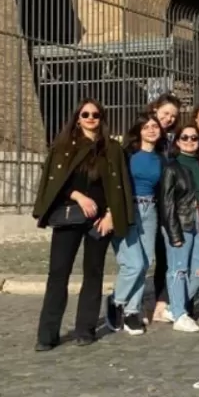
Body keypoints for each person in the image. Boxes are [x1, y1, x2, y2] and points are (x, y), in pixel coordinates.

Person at [32, 99, 134, 350]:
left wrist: (111, 215)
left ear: (102, 118)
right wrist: (79, 196)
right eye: (85, 114)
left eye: (95, 114)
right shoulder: (63, 147)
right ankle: (47, 335)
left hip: (99, 221)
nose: (90, 118)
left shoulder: (112, 149)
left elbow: (119, 185)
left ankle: (85, 330)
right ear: (77, 118)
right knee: (58, 274)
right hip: (69, 216)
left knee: (94, 273)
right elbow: (55, 183)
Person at [158, 124, 199, 332]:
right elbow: (166, 203)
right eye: (185, 137)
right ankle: (180, 315)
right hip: (180, 221)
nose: (190, 141)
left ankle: (174, 308)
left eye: (194, 138)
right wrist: (173, 233)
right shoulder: (171, 167)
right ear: (177, 141)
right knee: (179, 268)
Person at [107, 113, 163, 336]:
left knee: (146, 262)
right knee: (134, 264)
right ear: (138, 131)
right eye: (146, 127)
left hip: (150, 210)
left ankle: (132, 311)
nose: (151, 130)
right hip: (129, 209)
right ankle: (116, 300)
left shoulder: (161, 158)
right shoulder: (127, 155)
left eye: (155, 126)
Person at [145, 92, 181, 322]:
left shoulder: (171, 140)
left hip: (167, 205)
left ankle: (161, 303)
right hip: (146, 203)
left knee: (165, 256)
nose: (169, 119)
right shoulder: (143, 134)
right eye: (165, 113)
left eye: (173, 116)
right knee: (141, 259)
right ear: (155, 109)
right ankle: (130, 305)